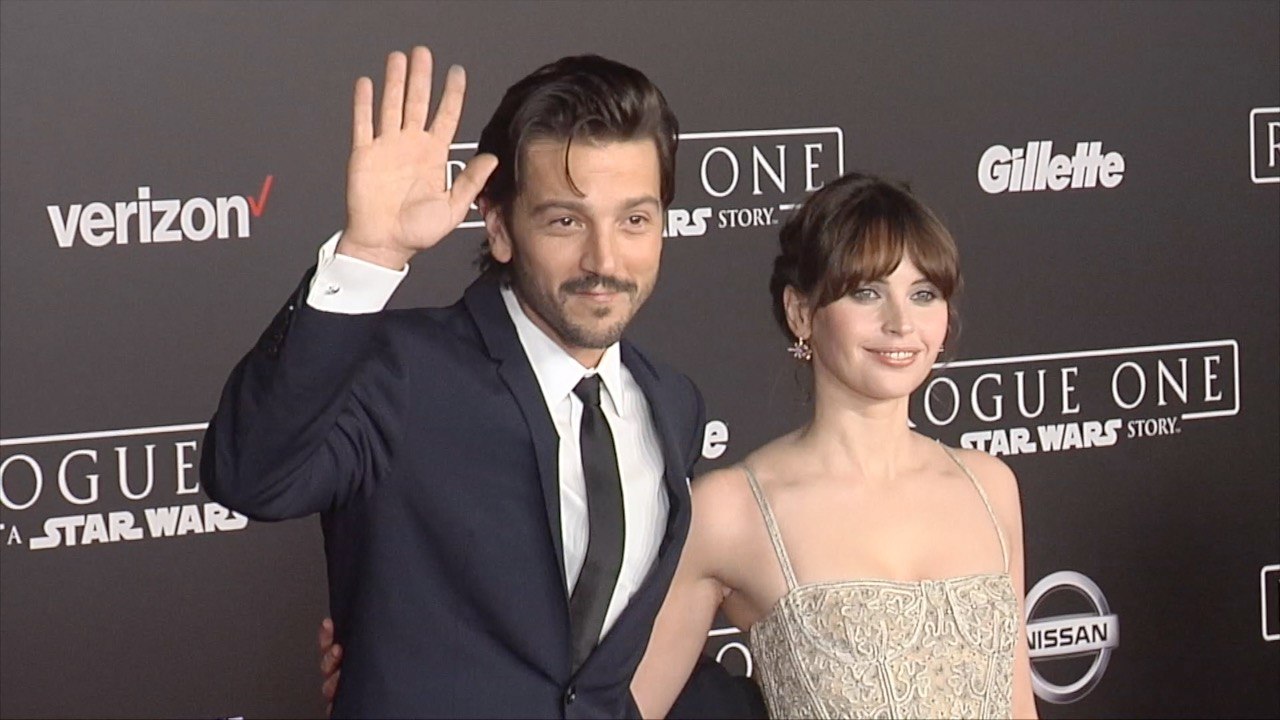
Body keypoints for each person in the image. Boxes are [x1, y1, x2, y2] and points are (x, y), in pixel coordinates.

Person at [318, 171, 1040, 719]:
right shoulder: (732, 509)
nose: (901, 324)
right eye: (866, 293)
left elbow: (1017, 704)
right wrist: (409, 672)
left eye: (924, 294)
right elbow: (603, 699)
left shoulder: (990, 486)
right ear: (801, 313)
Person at [201, 45, 759, 719]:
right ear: (499, 227)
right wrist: (369, 254)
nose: (604, 259)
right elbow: (249, 476)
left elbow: (603, 669)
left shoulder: (672, 403)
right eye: (565, 220)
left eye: (634, 220)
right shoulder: (400, 372)